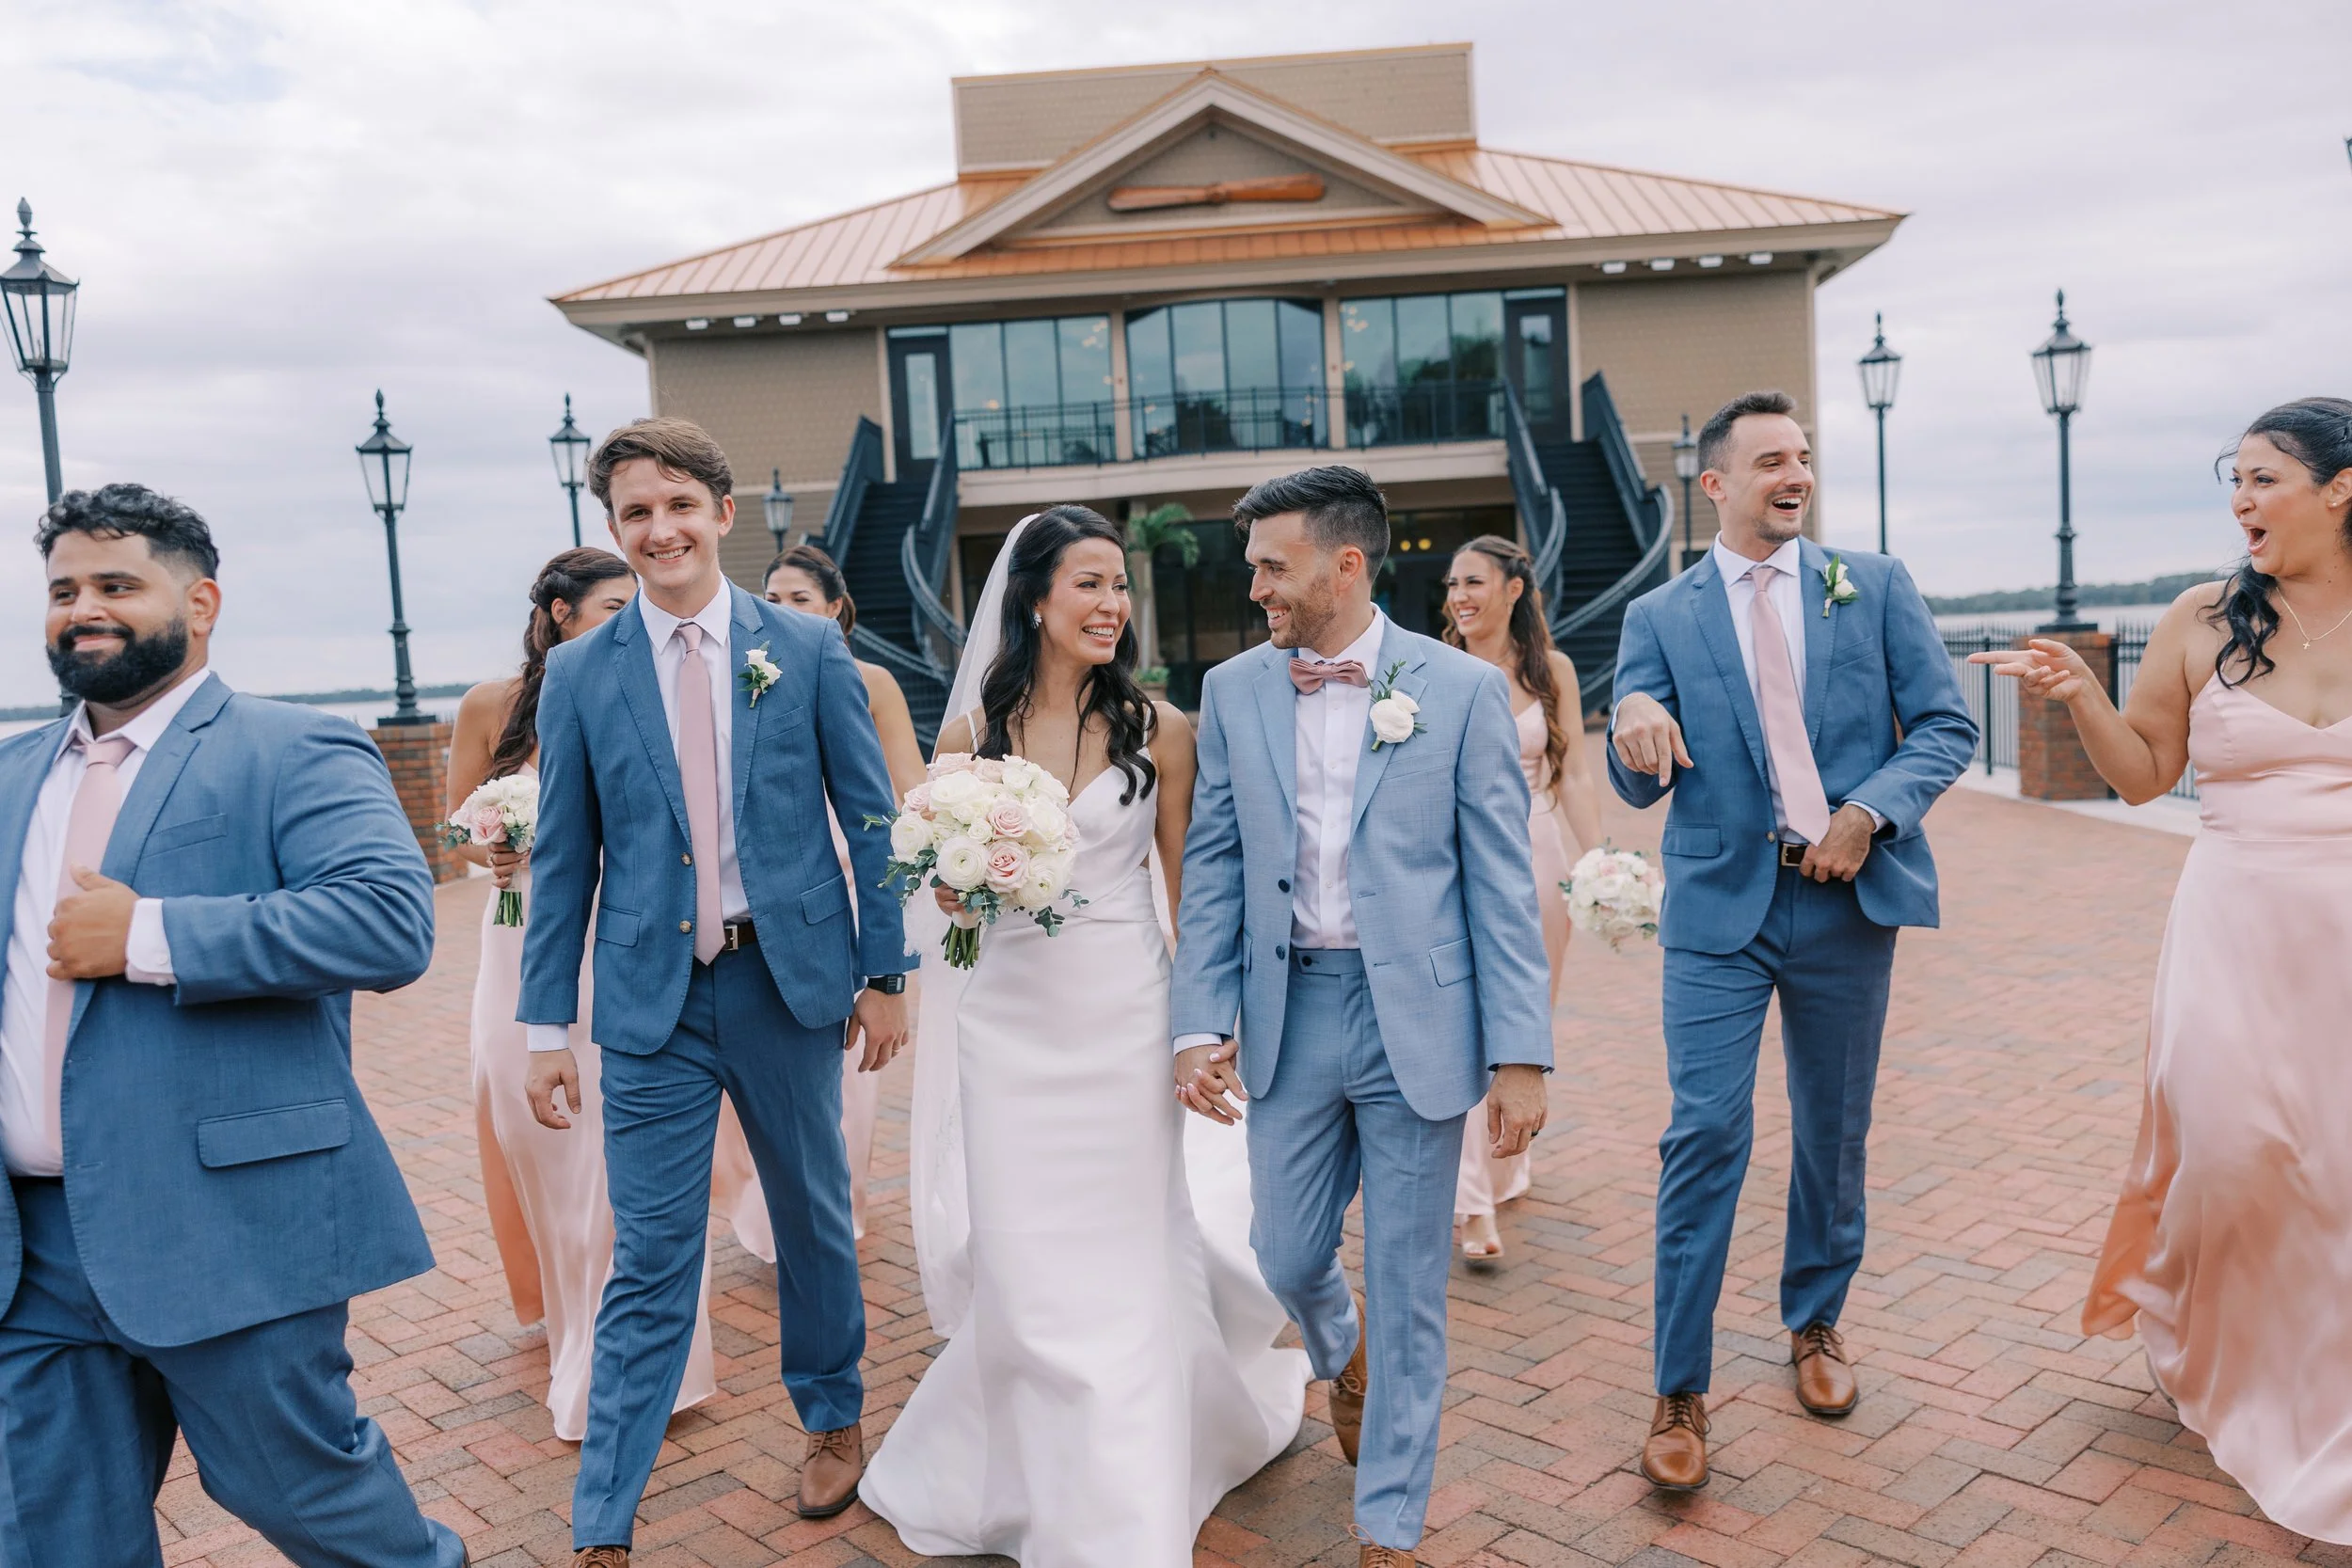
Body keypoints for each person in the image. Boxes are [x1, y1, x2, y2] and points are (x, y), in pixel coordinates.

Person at [0, 484, 462, 1566]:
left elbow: (389, 921)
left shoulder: (293, 746)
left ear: (200, 603)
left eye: (117, 584)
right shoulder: (11, 773)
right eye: (63, 589)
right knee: (54, 1542)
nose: (83, 608)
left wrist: (148, 932)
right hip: (30, 1257)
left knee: (321, 1511)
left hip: (227, 1227)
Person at [861, 506, 1307, 1567]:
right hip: (1006, 1025)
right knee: (1023, 1257)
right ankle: (1030, 1471)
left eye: (1119, 585)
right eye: (1089, 584)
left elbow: (1193, 895)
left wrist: (1204, 1029)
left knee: (1127, 1249)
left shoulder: (1162, 730)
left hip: (1124, 1021)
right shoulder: (970, 737)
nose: (1112, 604)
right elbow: (942, 896)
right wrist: (956, 890)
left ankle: (1124, 1487)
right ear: (1034, 599)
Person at [516, 419, 913, 1567]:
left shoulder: (806, 647)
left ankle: (831, 1412)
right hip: (651, 1002)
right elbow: (563, 857)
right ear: (613, 528)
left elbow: (871, 818)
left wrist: (886, 973)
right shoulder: (582, 673)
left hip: (789, 983)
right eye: (636, 512)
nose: (661, 529)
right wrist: (545, 1025)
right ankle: (604, 1517)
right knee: (650, 1254)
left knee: (812, 1218)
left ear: (722, 514)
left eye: (680, 504)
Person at [1969, 398, 2352, 1544]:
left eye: (2263, 478)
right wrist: (2080, 694)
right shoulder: (2200, 616)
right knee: (2232, 1149)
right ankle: (2206, 1336)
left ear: (2340, 489)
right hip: (2233, 927)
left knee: (2336, 1169)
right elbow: (2141, 778)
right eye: (2233, 480)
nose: (2240, 501)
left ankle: (2319, 1375)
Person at [1169, 467, 1553, 1568]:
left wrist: (1520, 1054)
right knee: (1284, 1250)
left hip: (1417, 1022)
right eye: (1252, 567)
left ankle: (1389, 1522)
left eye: (1272, 566)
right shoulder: (1233, 689)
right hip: (1288, 1013)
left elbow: (1500, 882)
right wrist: (1196, 1022)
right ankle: (1344, 1353)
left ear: (1345, 565)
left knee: (1409, 1281)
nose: (1256, 587)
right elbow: (1214, 865)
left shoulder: (1462, 691)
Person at [1608, 390, 1976, 1492]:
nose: (1795, 474)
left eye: (1803, 456)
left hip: (1844, 902)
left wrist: (1869, 812)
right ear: (1715, 482)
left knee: (1832, 1127)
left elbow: (1945, 726)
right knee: (1704, 1131)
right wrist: (1631, 724)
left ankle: (1815, 1319)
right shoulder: (1660, 615)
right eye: (1770, 459)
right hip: (1718, 909)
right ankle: (1679, 1385)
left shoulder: (1873, 583)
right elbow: (1637, 775)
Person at [448, 546, 775, 1441]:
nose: (632, 621)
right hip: (519, 944)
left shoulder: (650, 689)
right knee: (542, 1150)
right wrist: (493, 848)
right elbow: (453, 830)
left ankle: (636, 1368)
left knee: (619, 1163)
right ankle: (572, 1326)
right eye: (608, 608)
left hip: (623, 946)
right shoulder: (487, 706)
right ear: (559, 615)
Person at [1440, 534, 1603, 1266]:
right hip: (1455, 864)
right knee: (1464, 1030)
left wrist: (1598, 862)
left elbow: (1574, 774)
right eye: (1452, 585)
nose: (1458, 597)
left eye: (1473, 581)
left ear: (1513, 589)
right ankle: (1472, 1199)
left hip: (1539, 861)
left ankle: (1505, 1167)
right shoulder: (1434, 668)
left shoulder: (1551, 670)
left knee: (1521, 1033)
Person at [763, 542, 925, 1242]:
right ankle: (772, 1218)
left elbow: (905, 786)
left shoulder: (870, 680)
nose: (783, 610)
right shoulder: (750, 673)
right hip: (773, 891)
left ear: (835, 608)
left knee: (846, 1077)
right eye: (771, 599)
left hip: (853, 886)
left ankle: (840, 1205)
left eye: (799, 598)